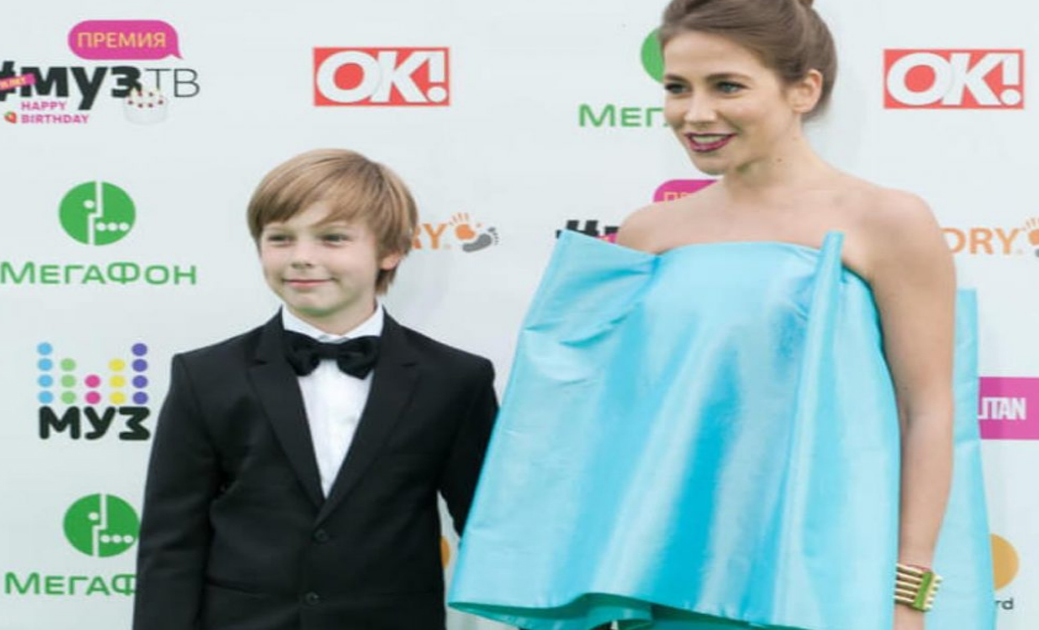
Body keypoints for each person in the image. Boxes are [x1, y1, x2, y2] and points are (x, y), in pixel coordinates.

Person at [449, 1, 993, 629]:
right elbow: (599, 426)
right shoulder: (649, 232)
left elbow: (925, 412)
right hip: (665, 583)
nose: (695, 113)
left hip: (823, 584)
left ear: (804, 90)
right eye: (677, 88)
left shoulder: (887, 221)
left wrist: (906, 594)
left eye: (727, 86)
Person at [133, 149, 499, 630]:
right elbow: (170, 542)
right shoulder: (205, 376)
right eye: (280, 238)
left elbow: (491, 530)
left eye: (333, 238)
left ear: (391, 251)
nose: (302, 257)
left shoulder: (455, 380)